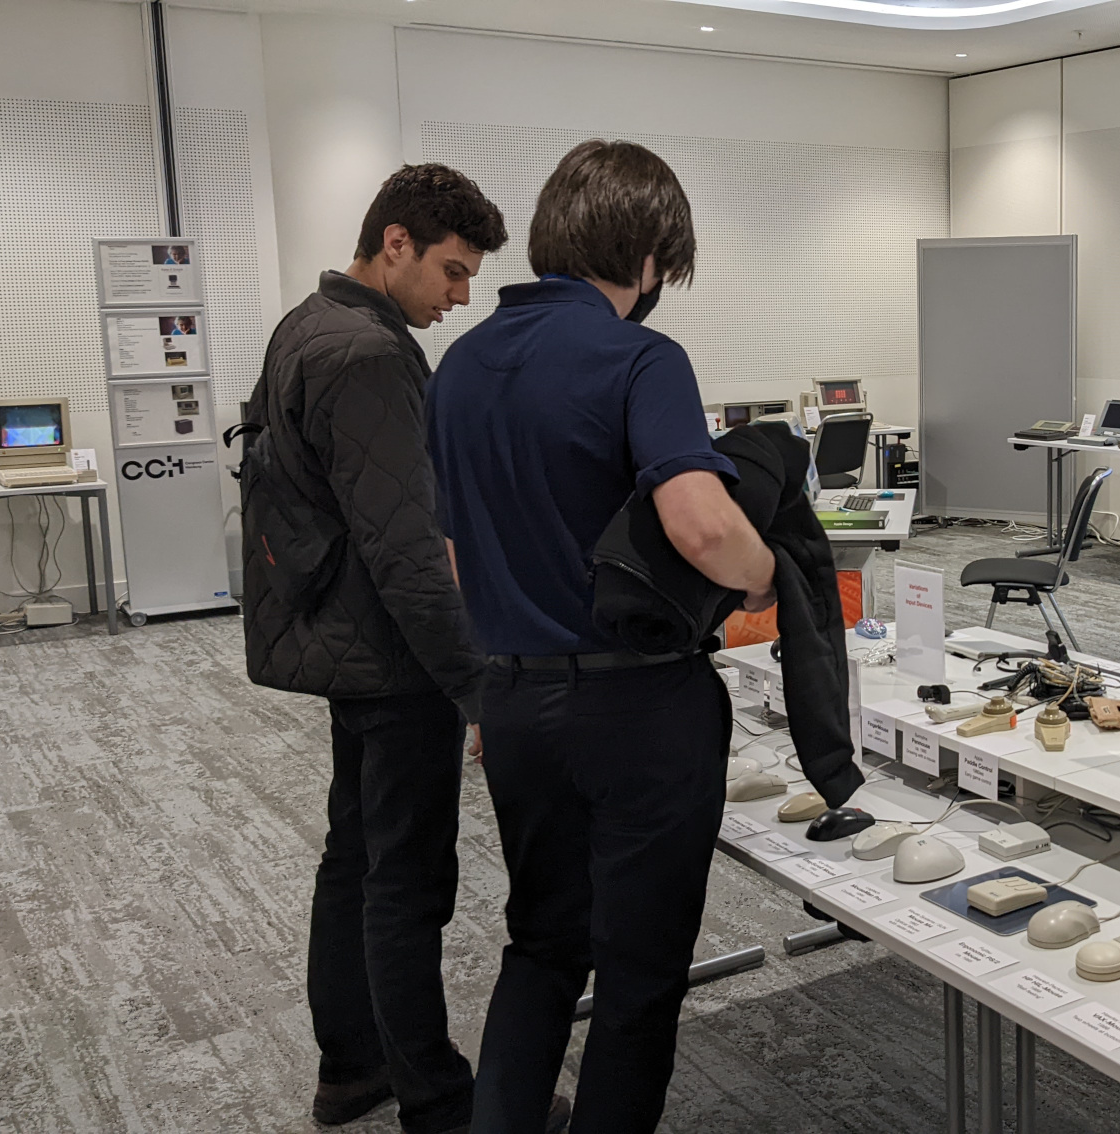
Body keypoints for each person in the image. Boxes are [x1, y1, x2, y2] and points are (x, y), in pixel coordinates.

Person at [427, 139, 775, 1134]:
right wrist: (772, 576)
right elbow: (700, 524)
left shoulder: (458, 365)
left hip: (514, 698)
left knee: (540, 945)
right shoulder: (642, 359)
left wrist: (495, 678)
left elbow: (457, 557)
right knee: (638, 974)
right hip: (636, 708)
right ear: (652, 254)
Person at [239, 164, 515, 1134]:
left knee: (354, 861)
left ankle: (351, 1069)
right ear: (394, 244)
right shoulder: (367, 354)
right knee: (407, 881)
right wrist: (475, 686)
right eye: (452, 270)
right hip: (392, 657)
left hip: (346, 642)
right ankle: (437, 1100)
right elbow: (406, 546)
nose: (461, 296)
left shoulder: (306, 325)